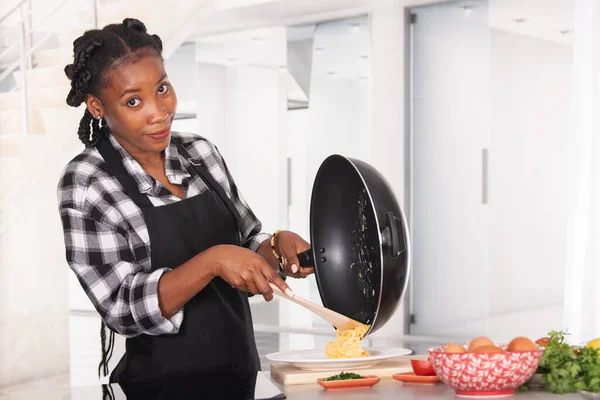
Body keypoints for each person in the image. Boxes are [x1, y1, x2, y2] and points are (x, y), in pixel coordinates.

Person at [57, 17, 314, 388]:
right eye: (133, 101)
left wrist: (277, 247)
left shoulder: (199, 152)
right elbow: (120, 308)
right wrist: (212, 262)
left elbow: (248, 241)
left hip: (242, 377)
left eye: (162, 88)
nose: (159, 112)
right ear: (96, 106)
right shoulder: (87, 183)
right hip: (159, 387)